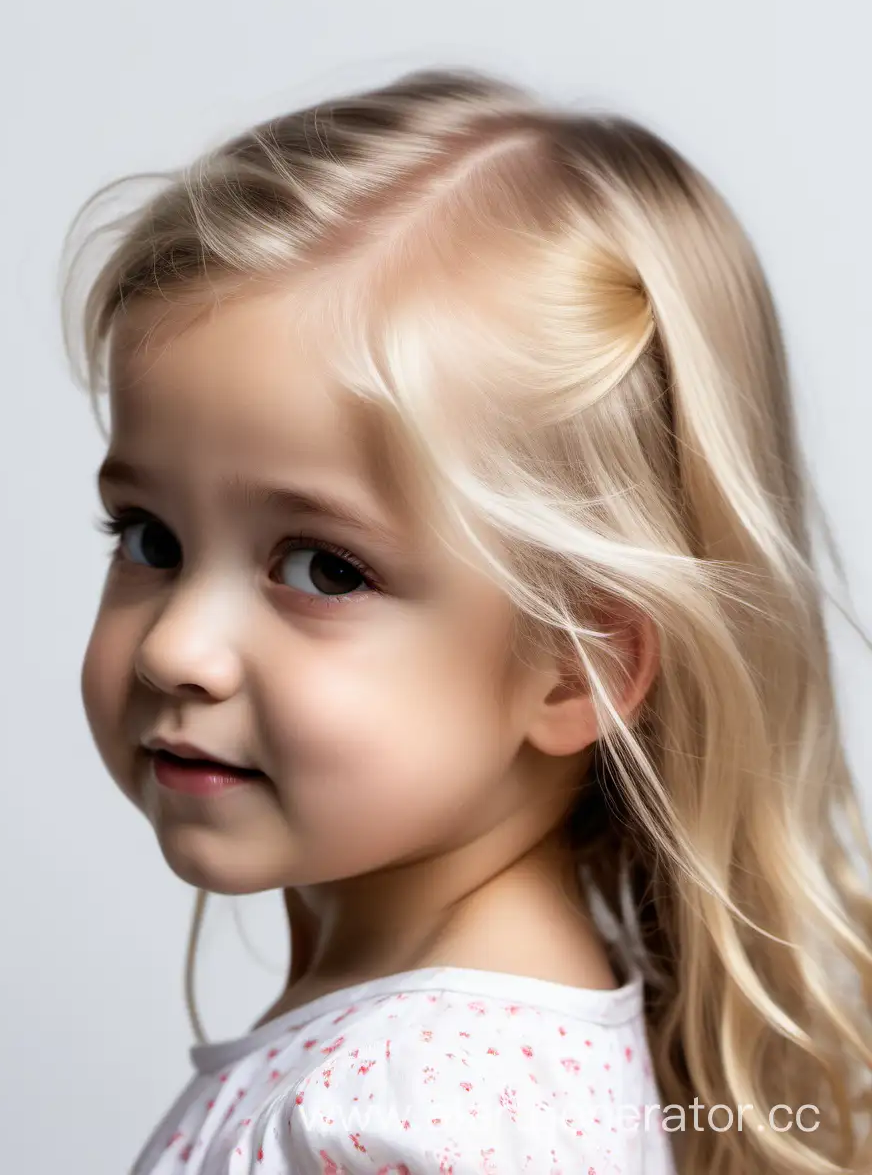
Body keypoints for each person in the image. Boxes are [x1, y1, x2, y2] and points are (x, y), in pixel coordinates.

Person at [59, 67, 872, 1174]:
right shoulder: (444, 1061)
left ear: (572, 666)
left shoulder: (407, 1115)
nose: (173, 647)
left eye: (321, 566)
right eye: (149, 538)